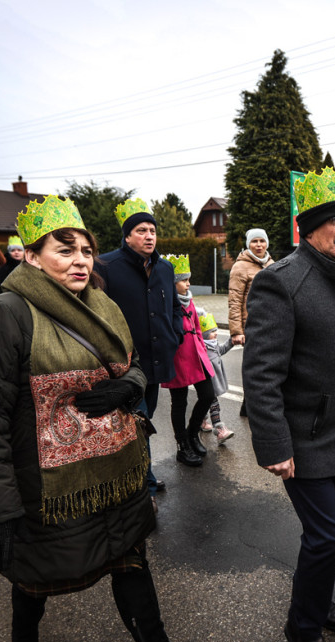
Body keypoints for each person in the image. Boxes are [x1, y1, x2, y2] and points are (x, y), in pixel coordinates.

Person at [0, 195, 199, 642]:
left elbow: (131, 367)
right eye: (64, 250)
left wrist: (127, 386)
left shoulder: (103, 303)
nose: (80, 261)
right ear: (30, 256)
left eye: (86, 251)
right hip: (48, 489)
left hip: (117, 473)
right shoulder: (7, 313)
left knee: (131, 564)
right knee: (35, 579)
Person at [243, 167, 335, 642]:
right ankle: (303, 628)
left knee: (327, 534)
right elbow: (261, 371)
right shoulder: (283, 280)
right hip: (304, 438)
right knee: (328, 538)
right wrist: (274, 442)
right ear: (311, 227)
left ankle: (316, 604)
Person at [95, 198, 184, 498]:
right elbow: (98, 313)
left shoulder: (165, 268)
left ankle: (141, 475)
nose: (149, 236)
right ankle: (141, 485)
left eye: (152, 230)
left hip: (156, 362)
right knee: (137, 423)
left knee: (141, 424)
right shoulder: (105, 266)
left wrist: (176, 334)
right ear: (128, 235)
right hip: (124, 366)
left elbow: (174, 306)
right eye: (141, 230)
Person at [161, 254, 215, 467]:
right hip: (178, 357)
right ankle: (182, 445)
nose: (189, 283)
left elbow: (198, 327)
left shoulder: (189, 299)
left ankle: (193, 434)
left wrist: (202, 348)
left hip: (197, 355)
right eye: (184, 280)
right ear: (173, 283)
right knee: (179, 403)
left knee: (208, 395)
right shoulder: (165, 302)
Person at [227, 228, 274, 416]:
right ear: (248, 244)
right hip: (251, 326)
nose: (259, 245)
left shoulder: (272, 264)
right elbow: (235, 300)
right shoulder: (240, 267)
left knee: (270, 366)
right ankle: (248, 404)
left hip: (271, 325)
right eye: (254, 241)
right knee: (253, 367)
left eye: (262, 241)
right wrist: (236, 331)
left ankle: (261, 402)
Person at [197, 310, 235, 444]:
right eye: (213, 332)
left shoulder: (214, 345)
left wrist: (231, 342)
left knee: (206, 403)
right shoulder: (203, 348)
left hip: (215, 381)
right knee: (214, 405)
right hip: (208, 382)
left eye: (216, 331)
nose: (216, 334)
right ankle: (219, 430)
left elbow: (222, 350)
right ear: (205, 335)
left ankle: (202, 420)